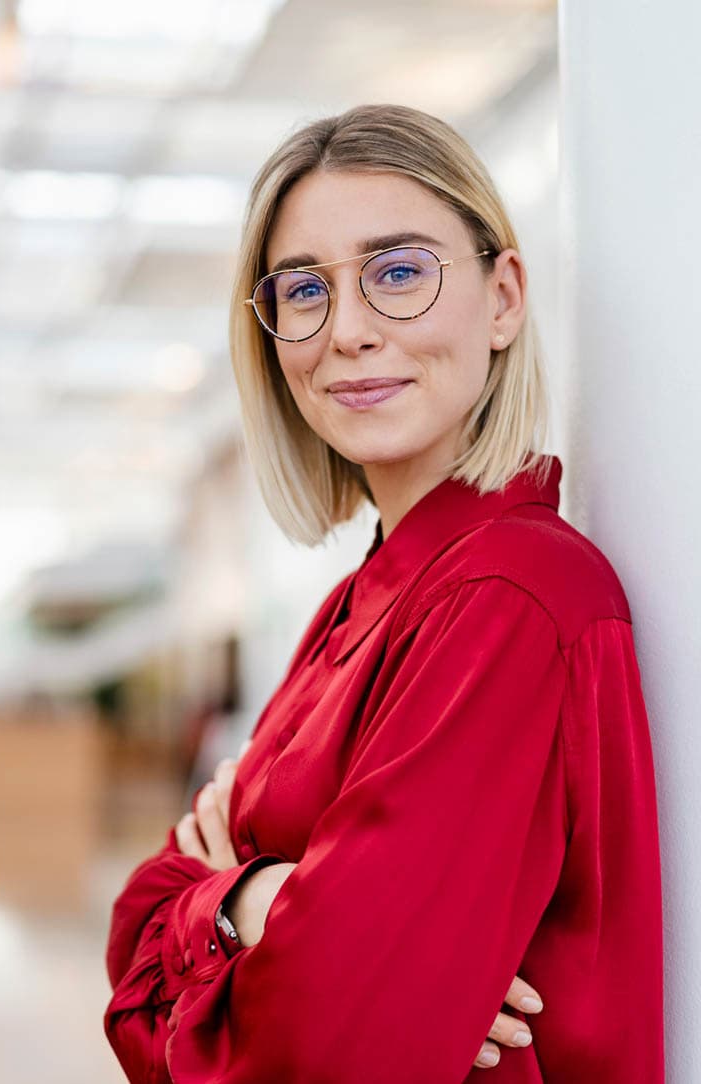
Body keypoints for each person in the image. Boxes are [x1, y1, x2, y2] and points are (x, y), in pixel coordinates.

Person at [104, 104, 664, 1082]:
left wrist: (218, 896)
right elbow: (127, 942)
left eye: (398, 273)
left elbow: (325, 1044)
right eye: (304, 290)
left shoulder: (513, 596)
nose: (349, 331)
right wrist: (255, 904)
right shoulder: (359, 603)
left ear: (502, 298)